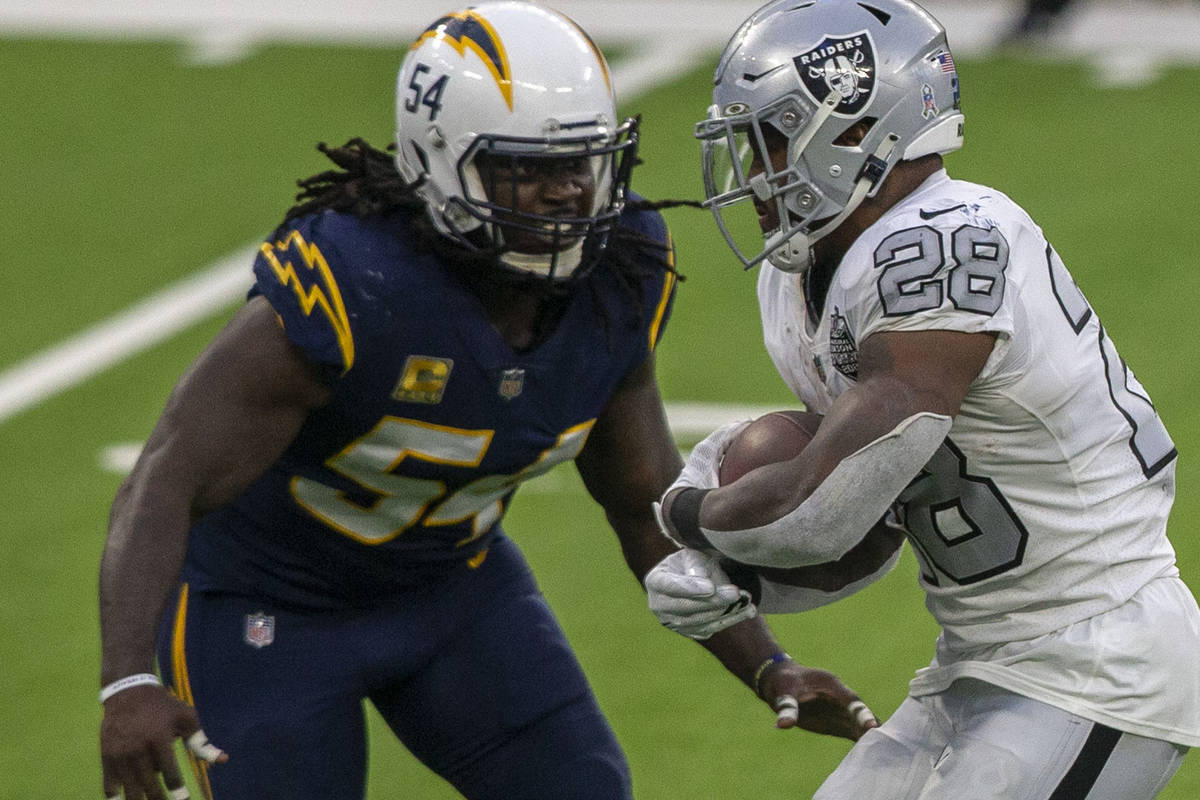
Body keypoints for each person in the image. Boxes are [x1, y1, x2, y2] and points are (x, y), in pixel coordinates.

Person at [97, 3, 879, 799]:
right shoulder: (355, 284)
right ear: (435, 163)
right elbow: (165, 479)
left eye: (582, 163)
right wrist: (126, 680)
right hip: (269, 609)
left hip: (452, 592)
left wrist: (766, 663)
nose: (568, 194)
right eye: (528, 168)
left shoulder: (620, 270)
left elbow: (641, 497)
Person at [645, 0, 1200, 797]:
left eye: (770, 138)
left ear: (854, 134)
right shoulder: (806, 272)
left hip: (1096, 658)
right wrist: (742, 580)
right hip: (978, 660)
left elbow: (820, 509)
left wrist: (686, 516)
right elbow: (872, 526)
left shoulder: (941, 242)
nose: (751, 170)